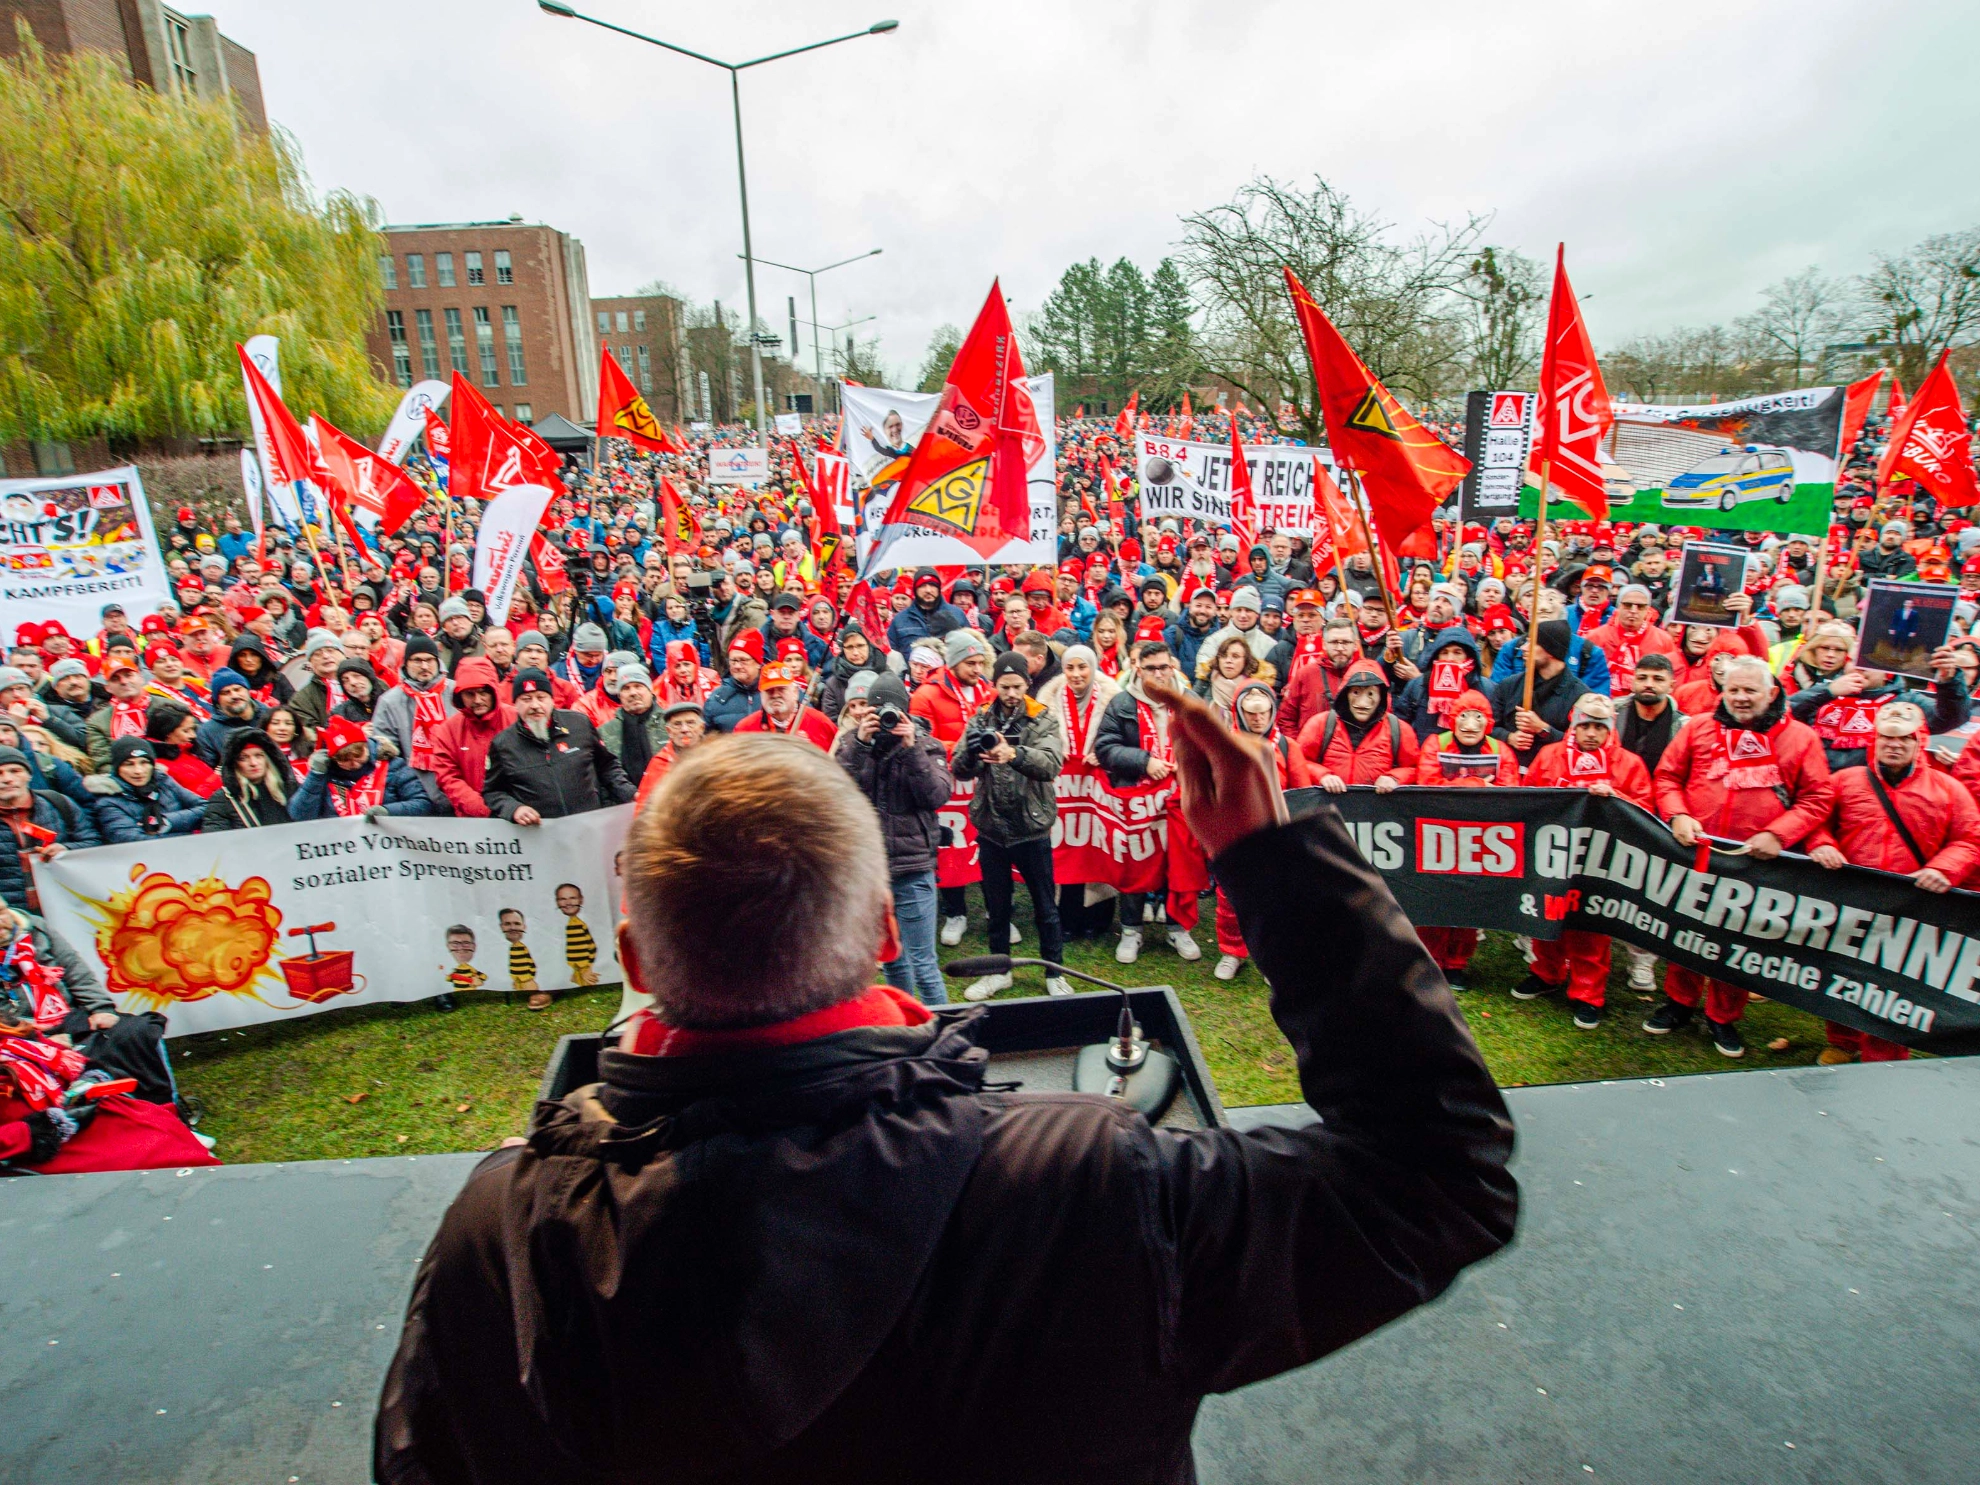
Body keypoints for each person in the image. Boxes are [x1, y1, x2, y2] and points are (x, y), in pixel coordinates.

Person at [374, 697, 1517, 1485]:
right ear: (883, 931)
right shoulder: (1091, 1183)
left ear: (632, 961)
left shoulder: (501, 1233)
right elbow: (1442, 1176)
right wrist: (1279, 865)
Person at [1650, 655, 1833, 1057]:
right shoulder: (1698, 728)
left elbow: (1818, 798)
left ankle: (1723, 1017)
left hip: (1756, 863)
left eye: (1750, 690)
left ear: (1772, 692)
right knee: (1686, 931)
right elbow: (1667, 777)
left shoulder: (1800, 738)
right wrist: (1677, 814)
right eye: (1733, 689)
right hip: (1698, 853)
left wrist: (1778, 834)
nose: (1741, 697)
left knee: (1735, 942)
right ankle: (1679, 1003)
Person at [1806, 702, 1979, 1064]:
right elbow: (1815, 820)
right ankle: (1842, 1039)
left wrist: (1945, 870)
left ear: (1920, 742)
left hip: (1911, 908)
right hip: (1851, 900)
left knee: (1893, 987)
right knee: (1840, 975)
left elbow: (1971, 839)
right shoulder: (1844, 781)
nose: (1894, 744)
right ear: (1874, 739)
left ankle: (1884, 1056)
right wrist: (1822, 844)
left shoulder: (1948, 790)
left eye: (1904, 738)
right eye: (1886, 737)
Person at [1514, 694, 1654, 1028]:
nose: (1591, 733)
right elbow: (1528, 795)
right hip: (1553, 857)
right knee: (1548, 918)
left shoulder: (1629, 764)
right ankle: (1546, 974)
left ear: (1610, 730)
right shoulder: (1550, 755)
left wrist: (1615, 797)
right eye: (1585, 725)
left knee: (1590, 931)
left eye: (1598, 727)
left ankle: (1588, 995)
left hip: (1600, 863)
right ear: (1574, 725)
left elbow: (1645, 810)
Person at [950, 651, 1070, 1000]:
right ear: (994, 685)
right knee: (997, 908)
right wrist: (972, 753)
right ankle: (997, 972)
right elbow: (959, 769)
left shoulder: (1041, 718)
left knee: (1046, 907)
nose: (1012, 693)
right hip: (991, 829)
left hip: (1031, 827)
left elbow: (1051, 764)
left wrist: (1014, 755)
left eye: (1017, 685)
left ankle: (1054, 971)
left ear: (1027, 683)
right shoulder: (981, 718)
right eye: (1005, 686)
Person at [835, 673, 953, 1007]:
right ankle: (904, 1029)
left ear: (904, 712)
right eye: (878, 712)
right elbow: (835, 791)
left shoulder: (926, 745)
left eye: (892, 713)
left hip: (913, 870)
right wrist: (859, 745)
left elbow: (936, 795)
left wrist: (910, 748)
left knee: (923, 963)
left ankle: (941, 1029)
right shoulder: (851, 744)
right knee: (892, 962)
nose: (886, 720)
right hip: (870, 874)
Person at [1093, 642, 1207, 965]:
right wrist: (1143, 761)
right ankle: (1131, 930)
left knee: (1179, 864)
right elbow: (1105, 747)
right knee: (1136, 864)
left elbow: (1211, 742)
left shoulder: (1190, 701)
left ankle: (1177, 927)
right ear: (1138, 669)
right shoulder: (1121, 702)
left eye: (1163, 667)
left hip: (1180, 800)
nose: (1158, 674)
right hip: (1136, 800)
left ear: (1172, 667)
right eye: (1151, 668)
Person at [1410, 689, 1518, 985]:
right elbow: (1428, 784)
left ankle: (1457, 964)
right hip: (1439, 836)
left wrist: (1456, 784)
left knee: (1468, 902)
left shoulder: (1501, 750)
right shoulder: (1435, 744)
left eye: (1478, 717)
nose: (1470, 724)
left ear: (1489, 722)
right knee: (1435, 900)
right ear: (1453, 719)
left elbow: (1511, 793)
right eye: (1464, 716)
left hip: (1481, 840)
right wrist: (1476, 784)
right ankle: (1430, 961)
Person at [1211, 679, 1314, 980]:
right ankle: (1232, 952)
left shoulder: (1287, 746)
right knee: (1230, 900)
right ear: (1240, 712)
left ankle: (1273, 958)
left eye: (1263, 712)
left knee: (1276, 902)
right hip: (1235, 838)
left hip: (1276, 838)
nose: (1257, 718)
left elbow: (1302, 792)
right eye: (1251, 713)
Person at [481, 668, 635, 824]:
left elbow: (607, 765)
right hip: (540, 834)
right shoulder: (503, 744)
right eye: (526, 699)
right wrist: (514, 809)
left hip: (590, 827)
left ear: (551, 700)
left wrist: (628, 793)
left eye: (541, 697)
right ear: (515, 704)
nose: (535, 705)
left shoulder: (579, 724)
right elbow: (492, 792)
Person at [1299, 658, 1418, 792]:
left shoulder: (1399, 729)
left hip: (1376, 810)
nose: (1362, 703)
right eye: (1356, 692)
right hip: (1329, 809)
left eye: (1370, 694)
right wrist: (1322, 775)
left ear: (1381, 697)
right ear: (1346, 694)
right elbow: (1298, 761)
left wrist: (1395, 778)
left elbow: (1415, 768)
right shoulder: (1321, 724)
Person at [289, 716, 434, 822]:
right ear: (333, 759)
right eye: (344, 760)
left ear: (366, 746)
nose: (354, 763)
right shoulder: (323, 774)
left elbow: (423, 803)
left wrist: (388, 811)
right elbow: (299, 815)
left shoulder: (393, 766)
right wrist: (315, 775)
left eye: (358, 755)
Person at [430, 657, 512, 819]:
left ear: (493, 691)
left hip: (517, 816)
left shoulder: (515, 720)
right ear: (460, 696)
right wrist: (481, 809)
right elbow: (448, 777)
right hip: (472, 821)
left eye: (483, 693)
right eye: (470, 694)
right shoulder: (448, 730)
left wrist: (510, 808)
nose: (477, 700)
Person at [89, 737, 206, 842]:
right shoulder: (108, 801)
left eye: (144, 762)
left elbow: (206, 809)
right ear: (117, 768)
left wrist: (166, 822)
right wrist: (186, 834)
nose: (138, 771)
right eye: (129, 764)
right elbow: (134, 841)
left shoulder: (162, 781)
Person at [200, 729, 293, 831]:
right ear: (234, 764)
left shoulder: (289, 788)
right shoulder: (224, 799)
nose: (253, 763)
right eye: (243, 758)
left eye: (258, 755)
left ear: (268, 759)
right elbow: (216, 840)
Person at [733, 659, 837, 749]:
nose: (775, 695)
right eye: (769, 690)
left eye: (782, 689)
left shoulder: (821, 723)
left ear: (795, 692)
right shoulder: (745, 729)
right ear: (761, 695)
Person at [633, 701, 707, 812]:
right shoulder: (660, 762)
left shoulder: (716, 756)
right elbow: (644, 809)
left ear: (701, 728)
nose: (684, 729)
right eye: (677, 724)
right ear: (669, 731)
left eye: (690, 723)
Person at [705, 631, 764, 733]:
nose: (737, 666)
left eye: (743, 660)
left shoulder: (772, 692)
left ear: (758, 663)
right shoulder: (717, 698)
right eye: (733, 661)